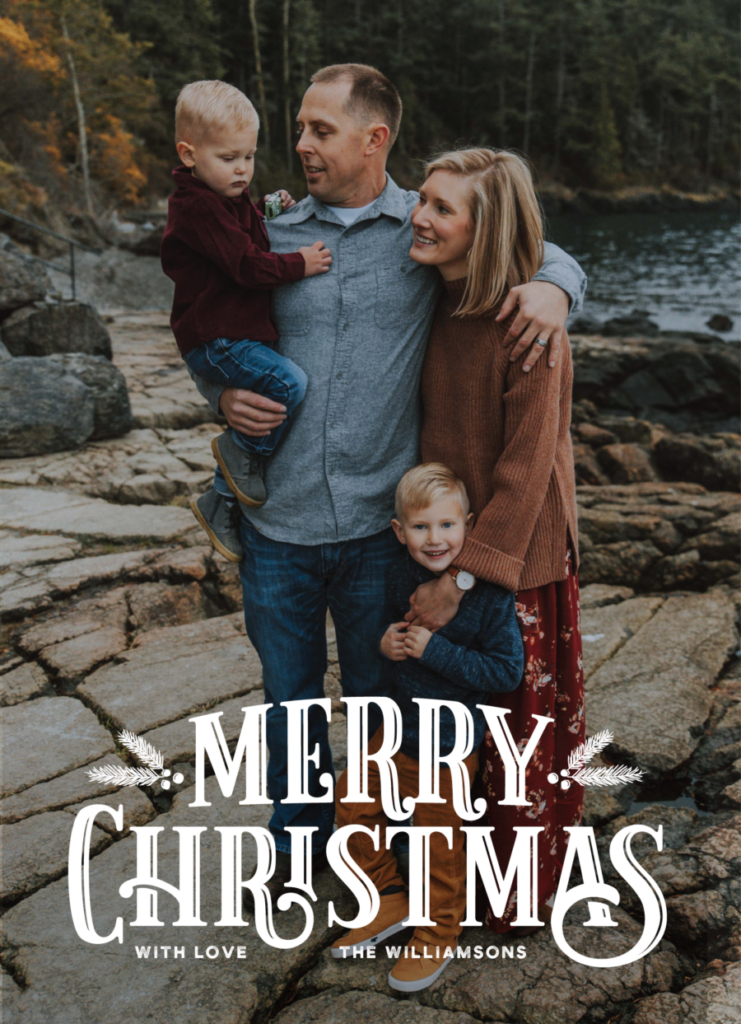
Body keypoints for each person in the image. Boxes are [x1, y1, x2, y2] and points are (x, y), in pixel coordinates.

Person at [188, 64, 586, 904]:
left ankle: (399, 865)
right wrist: (217, 392)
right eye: (295, 128)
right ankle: (299, 863)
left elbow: (519, 236)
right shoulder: (265, 234)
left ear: (375, 140)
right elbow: (202, 315)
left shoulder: (419, 227)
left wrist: (558, 285)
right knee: (288, 706)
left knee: (387, 709)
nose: (298, 146)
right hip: (277, 528)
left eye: (318, 130)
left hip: (380, 530)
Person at [407, 147, 584, 932]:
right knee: (455, 737)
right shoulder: (433, 295)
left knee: (517, 741)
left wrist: (462, 581)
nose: (420, 216)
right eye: (422, 198)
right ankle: (450, 885)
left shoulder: (528, 322)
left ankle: (515, 901)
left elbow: (525, 471)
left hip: (519, 561)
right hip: (444, 546)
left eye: (444, 208)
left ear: (485, 230)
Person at [332, 463, 523, 992]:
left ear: (470, 525)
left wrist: (435, 650)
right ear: (400, 532)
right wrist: (387, 646)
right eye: (420, 527)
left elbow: (505, 671)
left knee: (439, 839)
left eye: (446, 526)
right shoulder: (401, 576)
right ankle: (388, 895)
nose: (434, 539)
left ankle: (439, 930)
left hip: (449, 748)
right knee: (350, 801)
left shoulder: (489, 596)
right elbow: (402, 645)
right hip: (398, 733)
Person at [161, 79, 332, 563]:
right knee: (290, 382)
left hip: (229, 335)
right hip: (216, 337)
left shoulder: (223, 199)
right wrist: (301, 262)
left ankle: (220, 501)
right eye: (229, 158)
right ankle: (241, 453)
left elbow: (242, 230)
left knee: (274, 390)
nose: (242, 169)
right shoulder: (195, 206)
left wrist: (267, 210)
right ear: (189, 154)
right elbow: (244, 265)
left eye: (249, 157)